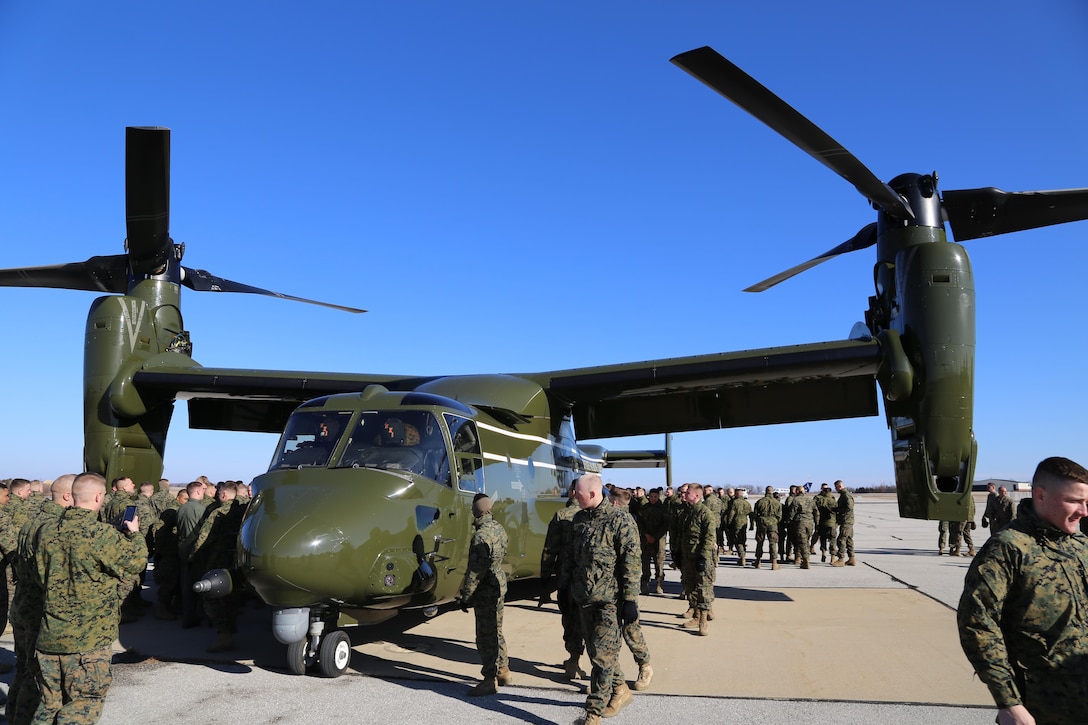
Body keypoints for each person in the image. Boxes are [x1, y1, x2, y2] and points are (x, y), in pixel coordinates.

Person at [958, 456, 1088, 725]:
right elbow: (978, 624)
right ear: (1040, 495)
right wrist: (1009, 702)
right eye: (1075, 501)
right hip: (1042, 706)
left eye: (1086, 502)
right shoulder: (1008, 548)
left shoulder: (1081, 546)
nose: (1084, 511)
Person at [32, 472, 148, 724]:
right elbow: (136, 563)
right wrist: (135, 533)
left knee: (49, 706)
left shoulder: (45, 531)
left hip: (50, 636)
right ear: (98, 496)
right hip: (87, 642)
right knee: (82, 707)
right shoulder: (102, 536)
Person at [559, 473, 640, 723]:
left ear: (593, 494)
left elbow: (631, 562)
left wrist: (629, 600)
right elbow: (570, 556)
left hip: (609, 601)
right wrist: (563, 589)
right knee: (597, 652)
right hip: (583, 597)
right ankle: (620, 690)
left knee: (603, 658)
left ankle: (593, 713)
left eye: (579, 494)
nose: (574, 496)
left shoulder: (620, 520)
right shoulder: (579, 518)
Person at [455, 493, 511, 696]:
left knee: (485, 635)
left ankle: (489, 679)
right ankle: (504, 670)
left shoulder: (481, 535)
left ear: (476, 510)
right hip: (498, 584)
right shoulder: (498, 528)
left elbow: (476, 572)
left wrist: (466, 596)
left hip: (486, 590)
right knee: (497, 630)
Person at [608, 487, 653, 692]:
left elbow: (633, 564)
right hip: (606, 590)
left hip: (623, 588)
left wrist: (630, 598)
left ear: (615, 502)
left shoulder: (626, 523)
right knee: (608, 636)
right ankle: (608, 678)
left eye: (609, 499)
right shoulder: (605, 519)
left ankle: (645, 666)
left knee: (631, 631)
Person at [539, 494, 584, 680]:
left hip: (565, 576)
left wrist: (545, 579)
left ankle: (573, 659)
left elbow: (550, 549)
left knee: (569, 617)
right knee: (587, 620)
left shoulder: (561, 515)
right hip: (588, 578)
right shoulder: (590, 514)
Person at [678, 483, 716, 635]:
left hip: (701, 558)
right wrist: (677, 551)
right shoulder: (687, 513)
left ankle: (703, 622)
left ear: (697, 496)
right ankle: (696, 615)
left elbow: (709, 537)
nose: (684, 495)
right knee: (690, 587)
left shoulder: (705, 514)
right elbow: (682, 535)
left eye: (688, 493)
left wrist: (703, 557)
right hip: (688, 556)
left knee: (703, 589)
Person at [636, 488, 668, 595]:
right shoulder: (644, 508)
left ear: (658, 497)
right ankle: (645, 584)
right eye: (651, 497)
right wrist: (646, 535)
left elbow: (665, 525)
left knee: (659, 564)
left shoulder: (663, 508)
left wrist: (656, 536)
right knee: (645, 563)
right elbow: (639, 523)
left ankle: (659, 584)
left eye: (655, 497)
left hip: (659, 541)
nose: (653, 499)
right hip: (646, 540)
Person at [752, 486, 781, 570]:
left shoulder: (760, 502)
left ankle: (758, 561)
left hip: (762, 523)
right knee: (773, 543)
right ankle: (774, 563)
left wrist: (759, 521)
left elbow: (755, 514)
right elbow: (779, 516)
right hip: (773, 523)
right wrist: (774, 521)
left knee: (760, 542)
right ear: (772, 492)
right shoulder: (777, 502)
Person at [831, 480, 856, 566]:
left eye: (836, 487)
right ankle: (851, 558)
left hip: (846, 521)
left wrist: (839, 510)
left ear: (839, 486)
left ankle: (841, 559)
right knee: (849, 539)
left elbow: (849, 507)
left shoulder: (845, 495)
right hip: (848, 521)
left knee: (841, 539)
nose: (836, 489)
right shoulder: (843, 495)